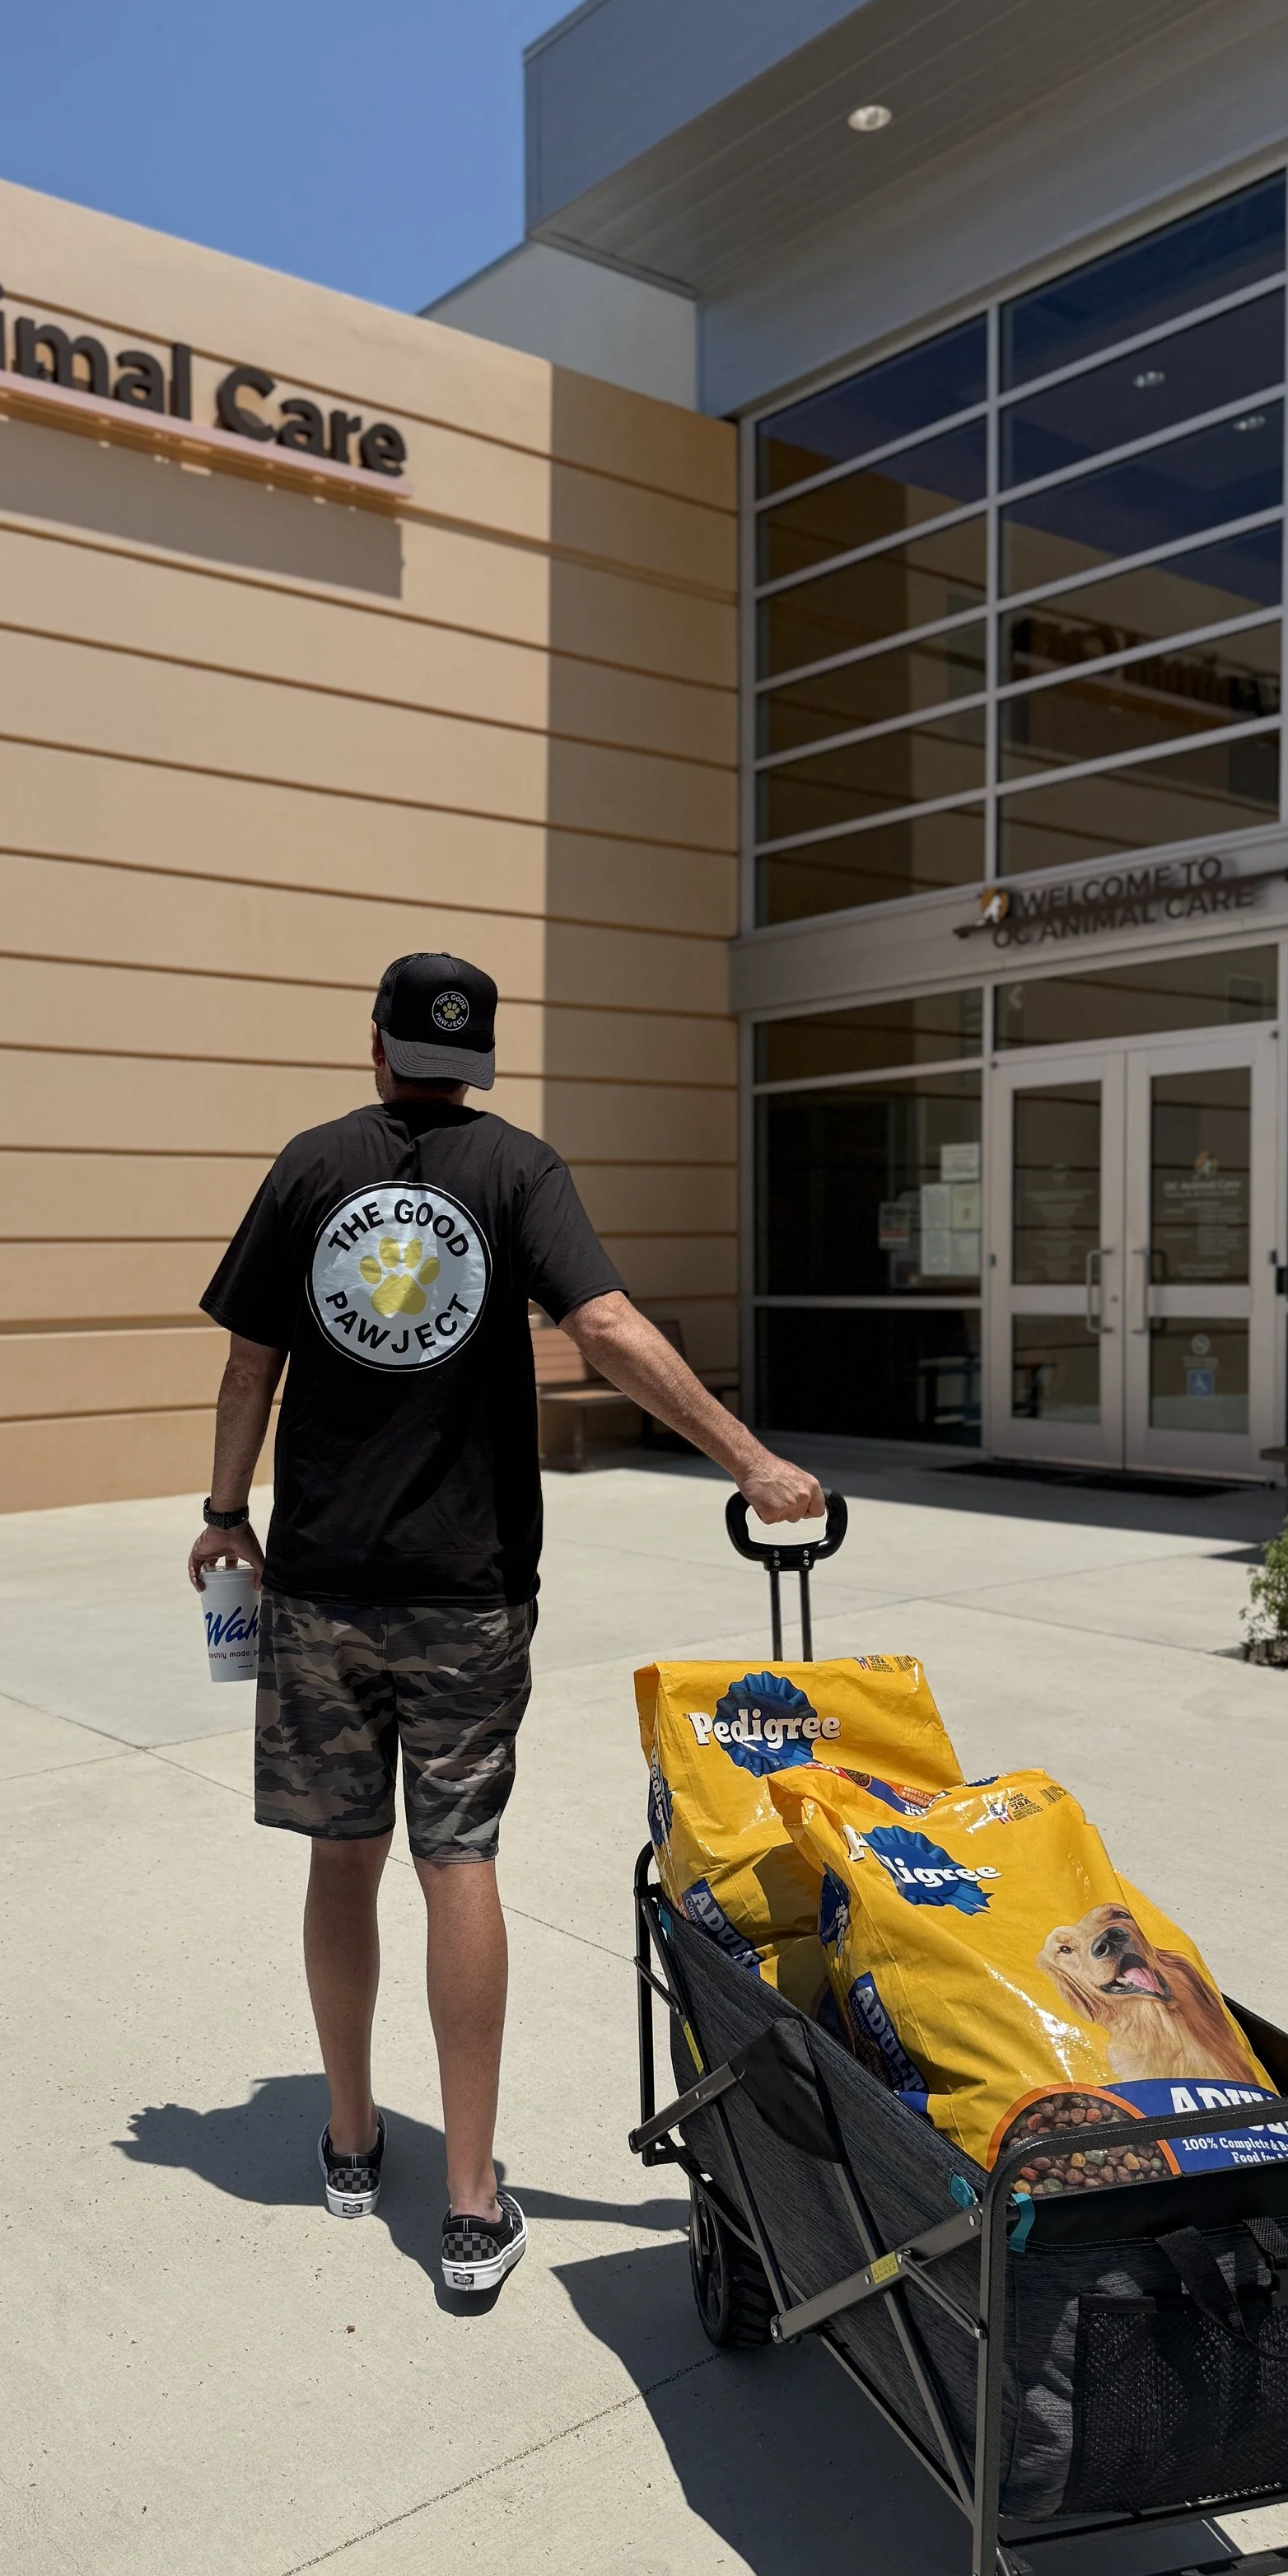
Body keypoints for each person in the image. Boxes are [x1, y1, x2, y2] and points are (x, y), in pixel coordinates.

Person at [188, 951, 823, 2297]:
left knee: (341, 1857)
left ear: (375, 1045)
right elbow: (604, 1325)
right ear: (482, 1061)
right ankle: (472, 2201)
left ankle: (354, 2141)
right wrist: (751, 1461)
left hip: (319, 1584)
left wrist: (226, 1509)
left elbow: (251, 1357)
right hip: (468, 1590)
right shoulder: (521, 1172)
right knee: (456, 1859)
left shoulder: (310, 1165)